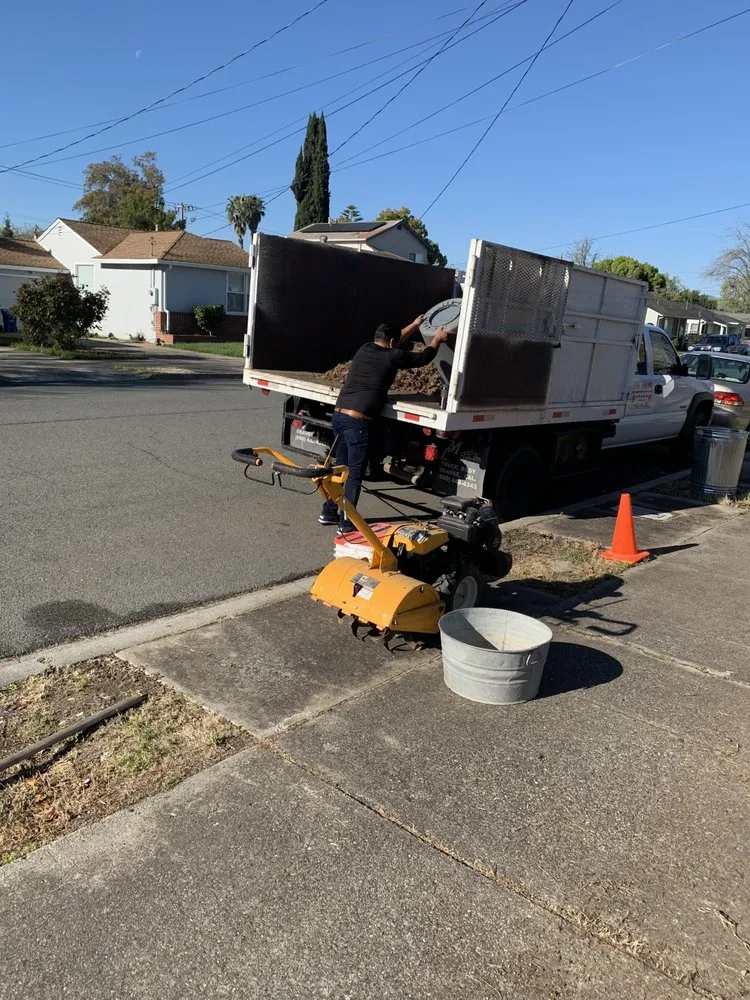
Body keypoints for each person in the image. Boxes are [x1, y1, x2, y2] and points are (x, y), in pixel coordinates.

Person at [319, 316, 450, 531]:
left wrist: (416, 325)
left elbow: (394, 342)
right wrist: (437, 339)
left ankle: (328, 512)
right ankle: (346, 522)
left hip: (339, 416)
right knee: (353, 474)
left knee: (340, 469)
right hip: (357, 421)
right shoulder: (392, 357)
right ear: (391, 343)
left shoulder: (364, 349)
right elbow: (422, 358)